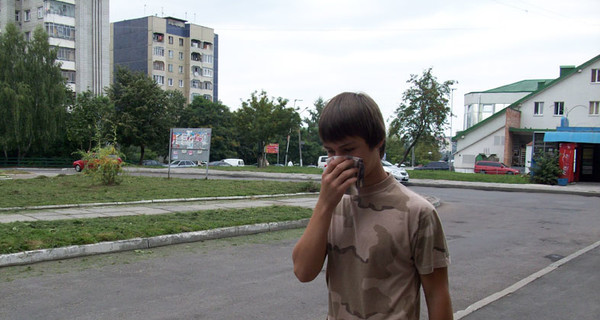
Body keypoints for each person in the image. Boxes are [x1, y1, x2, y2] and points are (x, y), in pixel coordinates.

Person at [292, 92, 453, 320]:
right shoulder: (333, 205)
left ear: (377, 141)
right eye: (330, 152)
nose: (339, 160)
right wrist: (325, 204)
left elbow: (437, 294)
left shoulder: (417, 212)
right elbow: (303, 272)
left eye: (348, 150)